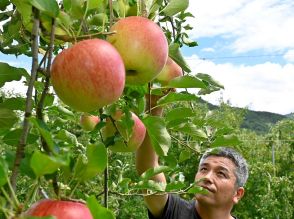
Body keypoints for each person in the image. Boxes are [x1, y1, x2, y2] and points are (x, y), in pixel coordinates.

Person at [136, 94, 249, 219]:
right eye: (204, 169)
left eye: (221, 173)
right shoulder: (175, 212)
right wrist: (154, 105)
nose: (207, 177)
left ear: (237, 194)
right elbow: (148, 167)